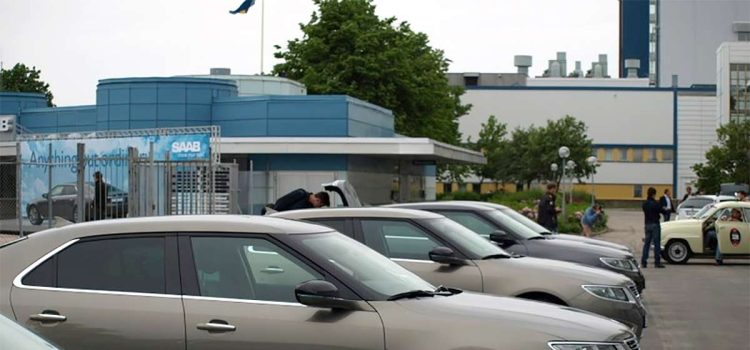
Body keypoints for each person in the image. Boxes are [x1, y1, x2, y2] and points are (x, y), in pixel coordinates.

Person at [641, 187, 666, 268]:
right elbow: (662, 211)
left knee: (647, 244)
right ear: (654, 194)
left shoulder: (644, 204)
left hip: (647, 224)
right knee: (656, 243)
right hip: (655, 224)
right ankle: (657, 262)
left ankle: (644, 262)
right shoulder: (655, 203)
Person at [265, 188, 330, 213]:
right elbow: (281, 202)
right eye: (320, 206)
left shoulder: (310, 208)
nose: (318, 207)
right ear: (318, 200)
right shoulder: (300, 194)